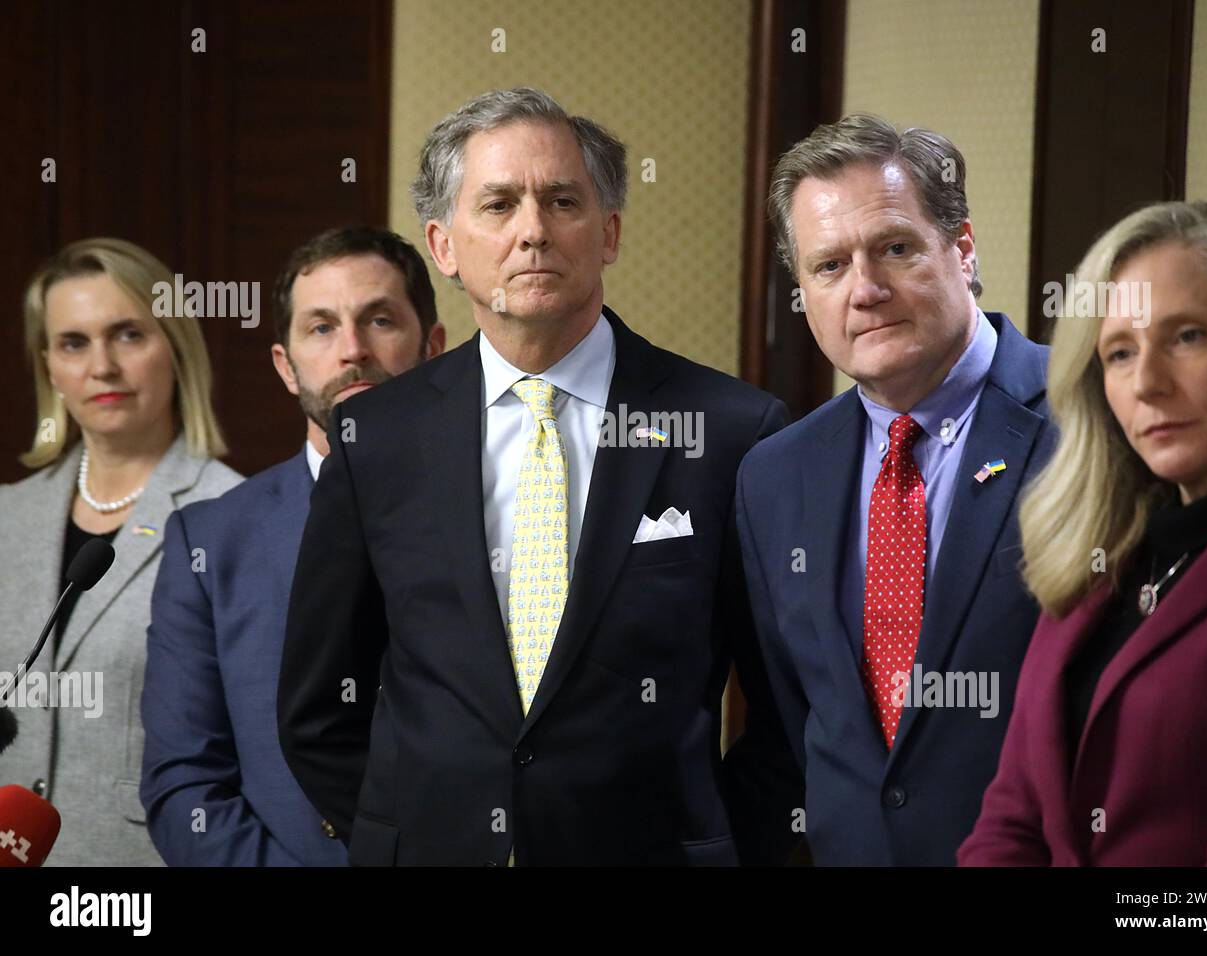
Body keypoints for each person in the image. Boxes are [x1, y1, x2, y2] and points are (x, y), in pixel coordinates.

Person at [277, 87, 801, 866]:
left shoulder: (730, 429)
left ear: (609, 232)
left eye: (562, 201)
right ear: (444, 246)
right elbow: (319, 709)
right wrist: (406, 839)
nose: (533, 232)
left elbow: (789, 710)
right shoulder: (375, 437)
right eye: (498, 205)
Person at [735, 114, 1055, 864]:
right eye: (829, 266)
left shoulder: (1093, 424)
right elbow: (792, 724)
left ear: (963, 249)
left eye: (895, 249)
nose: (866, 289)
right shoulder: (774, 475)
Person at [959, 201, 1207, 866]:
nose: (1147, 383)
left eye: (1188, 337)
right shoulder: (1096, 559)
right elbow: (1010, 820)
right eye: (1119, 352)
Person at [140, 226, 444, 865]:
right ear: (286, 366)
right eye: (321, 328)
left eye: (380, 320)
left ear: (434, 348)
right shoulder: (211, 543)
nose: (353, 351)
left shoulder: (509, 511)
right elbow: (185, 785)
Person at [0, 237, 241, 865]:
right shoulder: (7, 517)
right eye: (73, 343)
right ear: (48, 364)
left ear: (175, 346)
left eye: (128, 334)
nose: (102, 366)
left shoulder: (234, 517)